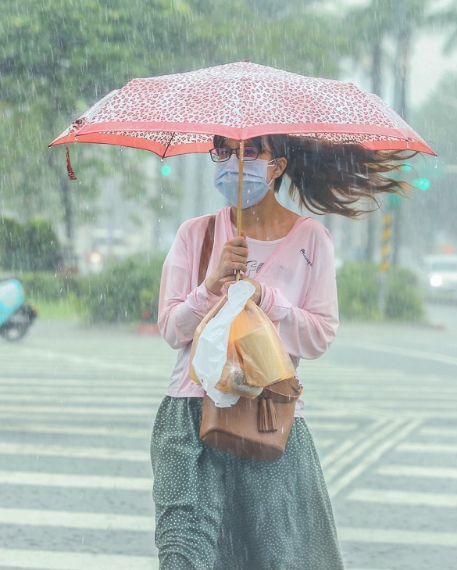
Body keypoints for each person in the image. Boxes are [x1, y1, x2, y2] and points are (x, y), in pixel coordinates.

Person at [152, 134, 412, 569]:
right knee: (184, 555)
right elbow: (171, 330)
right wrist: (209, 287)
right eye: (222, 150)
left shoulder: (311, 240)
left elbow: (318, 336)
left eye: (250, 151)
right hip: (189, 416)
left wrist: (266, 299)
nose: (233, 161)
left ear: (278, 166)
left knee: (279, 557)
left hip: (269, 418)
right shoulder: (196, 235)